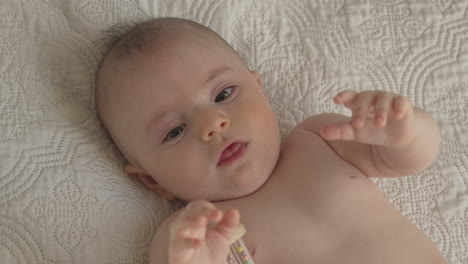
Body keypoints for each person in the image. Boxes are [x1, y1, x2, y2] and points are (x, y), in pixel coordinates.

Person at [95, 17, 447, 264]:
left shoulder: (318, 139)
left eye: (224, 93)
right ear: (150, 179)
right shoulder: (190, 233)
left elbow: (408, 159)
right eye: (174, 131)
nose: (213, 124)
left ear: (260, 89)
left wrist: (406, 131)